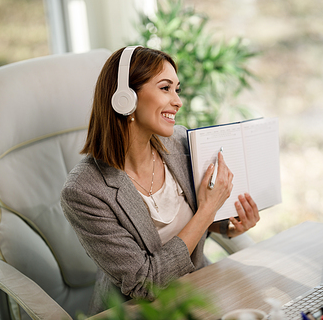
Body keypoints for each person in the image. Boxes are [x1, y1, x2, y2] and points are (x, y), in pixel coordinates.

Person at [60, 46, 260, 315]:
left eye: (177, 89)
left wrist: (229, 226)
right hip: (140, 311)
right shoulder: (84, 191)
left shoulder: (178, 142)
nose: (178, 101)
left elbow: (199, 221)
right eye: (165, 88)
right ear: (125, 98)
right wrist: (208, 208)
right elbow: (144, 283)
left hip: (198, 291)